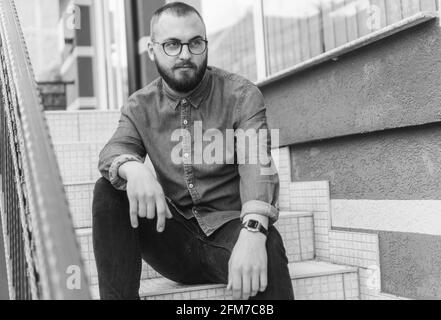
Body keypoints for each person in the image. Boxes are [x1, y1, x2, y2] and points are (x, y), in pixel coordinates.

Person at [93, 2, 294, 300]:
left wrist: (253, 230)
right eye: (172, 44)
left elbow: (258, 165)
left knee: (266, 242)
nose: (185, 54)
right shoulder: (139, 106)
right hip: (172, 240)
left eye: (195, 43)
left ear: (205, 45)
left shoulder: (242, 95)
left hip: (229, 234)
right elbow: (114, 149)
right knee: (109, 190)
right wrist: (132, 168)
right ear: (152, 50)